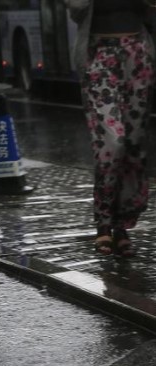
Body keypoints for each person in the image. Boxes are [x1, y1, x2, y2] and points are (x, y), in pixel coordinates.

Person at [66, 0, 156, 257]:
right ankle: (103, 221)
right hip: (99, 56)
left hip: (137, 54)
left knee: (134, 145)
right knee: (111, 142)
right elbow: (75, 8)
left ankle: (122, 226)